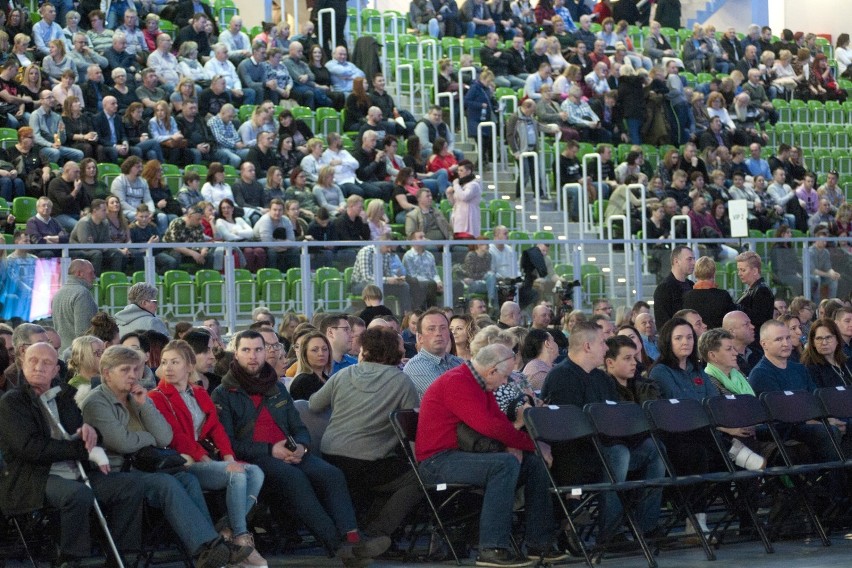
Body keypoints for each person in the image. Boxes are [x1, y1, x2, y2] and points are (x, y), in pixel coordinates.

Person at [212, 330, 391, 564]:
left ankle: (353, 538)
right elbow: (227, 443)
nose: (253, 356)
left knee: (331, 474)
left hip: (291, 451)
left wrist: (303, 447)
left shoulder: (275, 387)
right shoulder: (224, 393)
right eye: (246, 350)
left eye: (258, 349)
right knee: (294, 479)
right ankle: (338, 546)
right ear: (236, 354)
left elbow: (298, 427)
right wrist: (269, 450)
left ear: (266, 352)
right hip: (256, 457)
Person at [81, 345, 254, 568]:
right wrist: (147, 437)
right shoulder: (96, 402)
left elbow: (164, 437)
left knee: (188, 480)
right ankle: (210, 546)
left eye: (136, 370)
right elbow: (121, 442)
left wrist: (144, 406)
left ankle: (209, 548)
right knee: (166, 484)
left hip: (147, 466)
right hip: (117, 472)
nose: (133, 376)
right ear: (106, 373)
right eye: (125, 370)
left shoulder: (138, 396)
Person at [417, 342, 564, 567]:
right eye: (505, 377)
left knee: (534, 464)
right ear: (492, 371)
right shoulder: (456, 382)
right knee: (504, 464)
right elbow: (490, 427)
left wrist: (522, 447)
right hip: (437, 460)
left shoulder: (478, 382)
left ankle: (539, 542)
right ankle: (492, 547)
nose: (505, 382)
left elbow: (499, 424)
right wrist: (532, 445)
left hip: (462, 454)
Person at [0, 342, 145, 568]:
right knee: (77, 495)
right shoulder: (12, 402)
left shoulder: (64, 397)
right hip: (35, 477)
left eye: (47, 363)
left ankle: (123, 554)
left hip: (77, 471)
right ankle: (71, 560)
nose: (39, 366)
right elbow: (31, 448)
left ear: (56, 370)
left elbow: (81, 432)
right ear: (22, 364)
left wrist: (91, 433)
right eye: (33, 361)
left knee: (131, 484)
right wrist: (82, 450)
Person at [148, 340, 267, 567]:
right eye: (164, 363)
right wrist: (206, 458)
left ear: (189, 366)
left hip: (206, 458)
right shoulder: (157, 396)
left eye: (175, 362)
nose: (168, 368)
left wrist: (228, 457)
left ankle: (226, 531)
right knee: (237, 474)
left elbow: (216, 428)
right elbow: (175, 436)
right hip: (183, 461)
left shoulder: (200, 392)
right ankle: (241, 538)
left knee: (256, 472)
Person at [402, 307, 464, 398]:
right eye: (431, 329)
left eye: (443, 328)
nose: (438, 333)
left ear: (449, 334)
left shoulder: (458, 362)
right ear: (420, 338)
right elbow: (449, 396)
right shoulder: (416, 366)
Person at [51, 259, 98, 352]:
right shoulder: (82, 294)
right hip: (78, 355)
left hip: (62, 352)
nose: (94, 277)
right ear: (79, 274)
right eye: (91, 273)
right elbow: (84, 334)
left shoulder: (58, 293)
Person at [681, 256, 738, 330]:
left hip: (696, 338)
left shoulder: (687, 297)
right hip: (718, 337)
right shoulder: (723, 295)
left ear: (695, 274)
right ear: (714, 273)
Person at [652, 245, 695, 328]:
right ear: (676, 261)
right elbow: (663, 324)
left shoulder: (692, 285)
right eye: (689, 259)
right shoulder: (664, 288)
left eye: (693, 259)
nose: (693, 262)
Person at [801, 319, 852, 388]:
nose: (824, 343)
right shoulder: (810, 368)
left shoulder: (848, 361)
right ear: (813, 342)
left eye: (828, 337)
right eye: (819, 338)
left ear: (837, 339)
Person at [735, 251, 775, 333]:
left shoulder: (762, 290)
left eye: (743, 270)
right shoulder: (754, 289)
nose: (739, 274)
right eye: (738, 270)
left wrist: (735, 307)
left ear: (755, 271)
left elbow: (759, 318)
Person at [446, 159, 482, 238]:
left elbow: (464, 197)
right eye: (458, 170)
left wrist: (455, 185)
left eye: (461, 170)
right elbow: (454, 203)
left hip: (469, 217)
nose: (459, 173)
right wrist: (449, 194)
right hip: (458, 217)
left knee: (468, 241)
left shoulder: (474, 185)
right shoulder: (461, 185)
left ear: (468, 171)